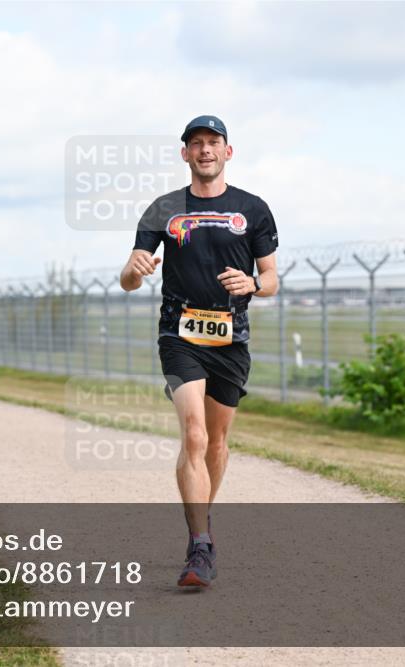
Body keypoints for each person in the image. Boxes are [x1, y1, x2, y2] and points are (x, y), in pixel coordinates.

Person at [119, 115, 279, 587]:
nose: (205, 149)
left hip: (231, 337)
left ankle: (201, 520)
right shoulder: (162, 210)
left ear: (228, 152)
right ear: (184, 154)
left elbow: (270, 279)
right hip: (179, 332)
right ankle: (201, 544)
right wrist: (135, 269)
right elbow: (128, 280)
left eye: (213, 142)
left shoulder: (253, 209)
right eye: (196, 143)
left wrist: (252, 282)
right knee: (193, 435)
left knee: (216, 441)